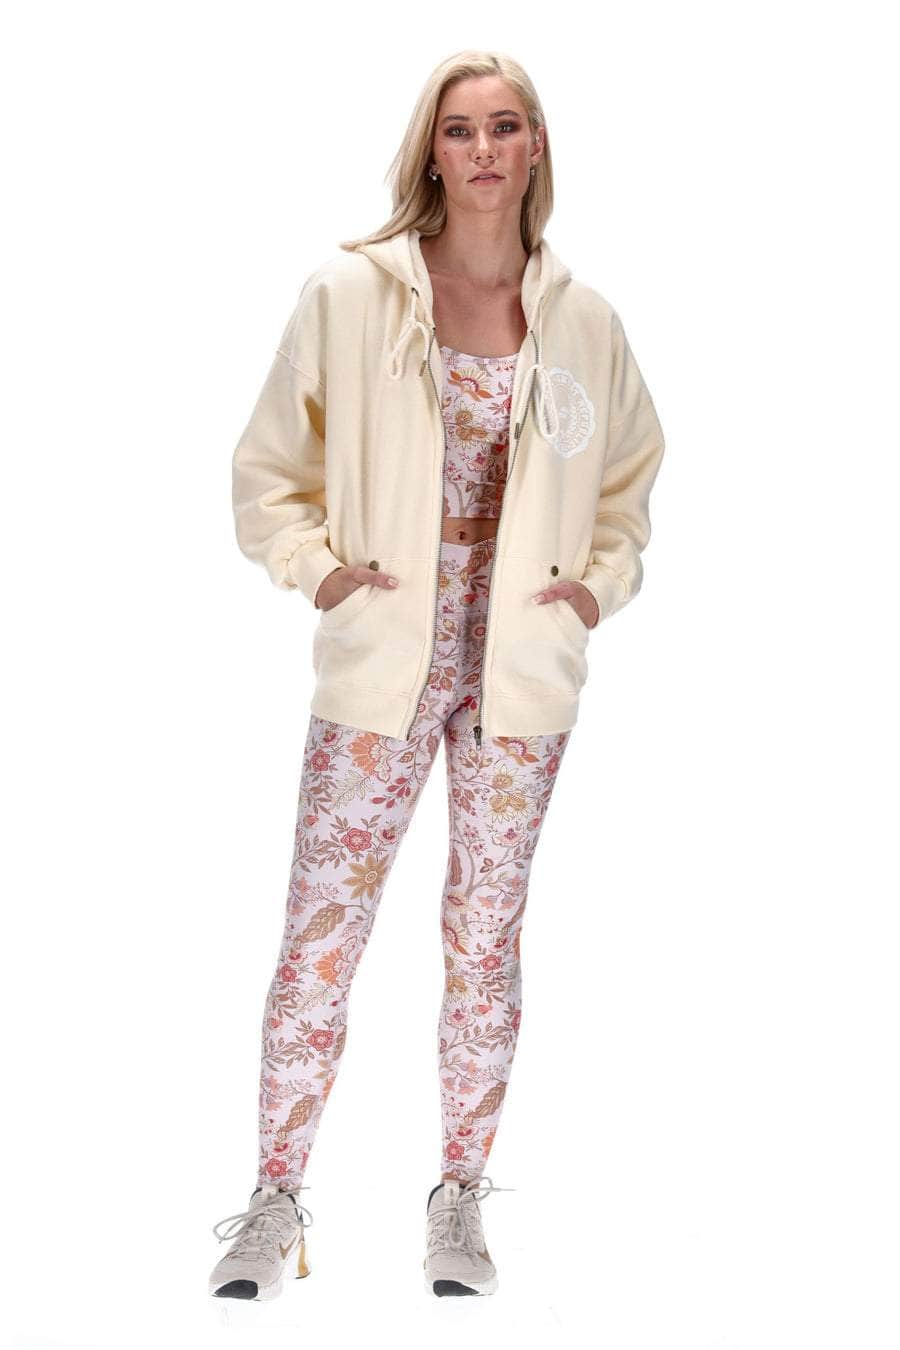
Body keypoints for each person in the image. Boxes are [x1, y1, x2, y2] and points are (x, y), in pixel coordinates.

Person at [209, 48, 666, 1302]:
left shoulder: (583, 323)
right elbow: (266, 472)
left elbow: (629, 483)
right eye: (459, 130)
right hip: (382, 667)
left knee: (484, 939)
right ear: (432, 152)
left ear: (535, 147)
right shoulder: (349, 296)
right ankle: (274, 1199)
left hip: (520, 676)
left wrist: (595, 589)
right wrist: (322, 574)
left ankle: (460, 1194)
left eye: (505, 126)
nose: (482, 150)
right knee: (322, 932)